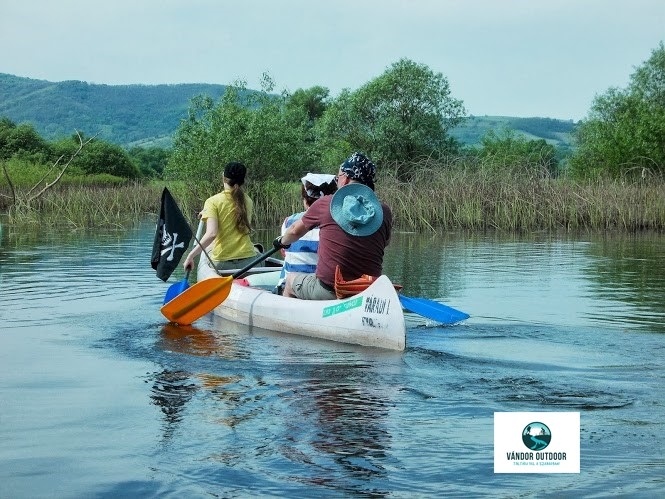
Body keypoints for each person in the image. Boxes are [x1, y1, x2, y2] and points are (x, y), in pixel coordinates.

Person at [274, 152, 392, 300]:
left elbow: (294, 232)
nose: (337, 181)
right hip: (367, 291)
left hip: (329, 290)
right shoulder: (384, 211)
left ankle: (292, 313)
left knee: (290, 280)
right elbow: (386, 242)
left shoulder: (326, 203)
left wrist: (281, 242)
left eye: (338, 177)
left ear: (345, 179)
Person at [182, 161, 262, 273]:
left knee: (209, 247)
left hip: (222, 264)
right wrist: (207, 212)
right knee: (257, 249)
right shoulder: (248, 200)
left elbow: (212, 234)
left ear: (223, 178)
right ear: (242, 181)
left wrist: (190, 255)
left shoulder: (212, 202)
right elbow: (231, 211)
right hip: (248, 262)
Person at [275, 173, 338, 293]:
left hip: (291, 285)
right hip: (320, 287)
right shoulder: (336, 224)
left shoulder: (289, 222)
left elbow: (284, 253)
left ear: (305, 199)